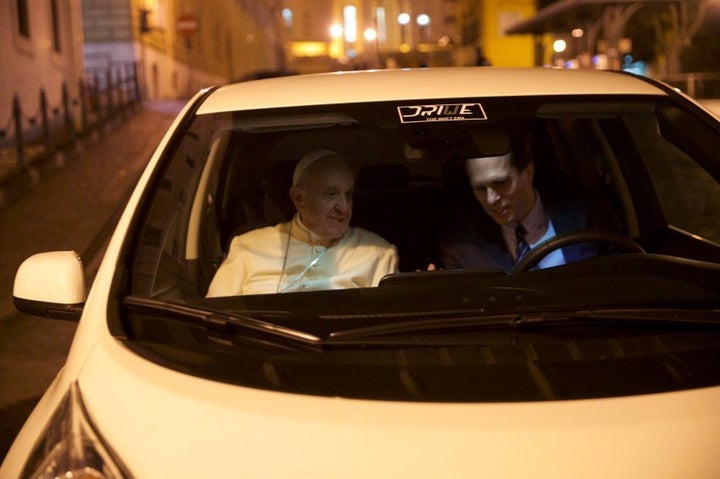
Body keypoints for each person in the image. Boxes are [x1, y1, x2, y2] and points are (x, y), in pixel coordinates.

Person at [207, 150, 398, 296]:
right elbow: (214, 320)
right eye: (331, 195)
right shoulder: (247, 247)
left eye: (349, 195)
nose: (345, 208)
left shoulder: (378, 253)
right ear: (299, 199)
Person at [439, 135, 594, 273]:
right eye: (480, 188)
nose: (491, 199)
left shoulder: (586, 217)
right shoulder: (461, 248)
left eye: (500, 183)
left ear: (528, 173)